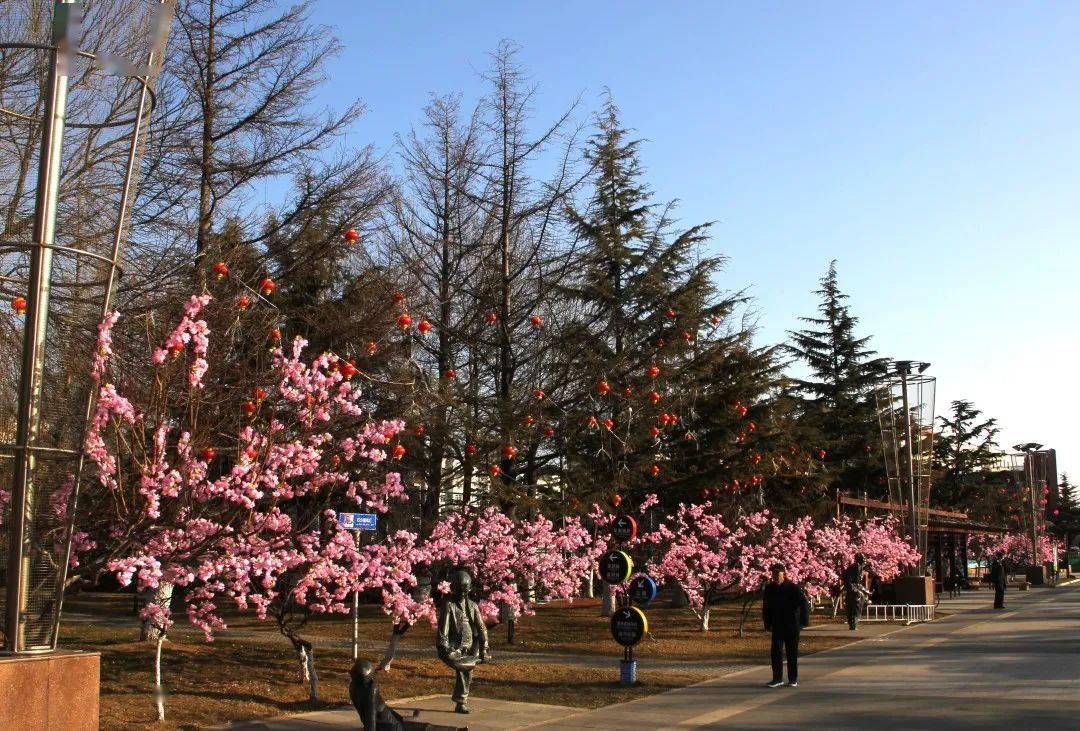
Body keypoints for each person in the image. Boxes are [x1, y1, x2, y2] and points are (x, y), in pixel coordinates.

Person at [436, 568, 489, 714]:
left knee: (467, 670)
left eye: (465, 590)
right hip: (454, 648)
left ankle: (461, 701)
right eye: (459, 590)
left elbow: (482, 628)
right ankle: (461, 701)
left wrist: (484, 648)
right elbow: (443, 630)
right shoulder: (449, 605)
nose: (463, 593)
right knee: (465, 668)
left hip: (472, 647)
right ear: (453, 589)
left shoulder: (473, 606)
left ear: (469, 588)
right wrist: (445, 648)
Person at [762, 562, 810, 688]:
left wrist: (803, 621)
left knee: (791, 653)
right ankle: (777, 678)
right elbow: (766, 607)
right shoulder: (769, 588)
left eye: (778, 573)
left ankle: (792, 679)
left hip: (792, 624)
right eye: (773, 573)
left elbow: (804, 603)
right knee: (776, 652)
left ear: (784, 574)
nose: (775, 576)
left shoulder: (793, 587)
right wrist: (767, 623)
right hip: (777, 624)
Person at [842, 553, 871, 630]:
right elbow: (849, 581)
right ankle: (853, 623)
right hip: (853, 591)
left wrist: (866, 591)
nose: (865, 560)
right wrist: (854, 590)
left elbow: (858, 583)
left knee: (856, 607)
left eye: (865, 558)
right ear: (858, 559)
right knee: (854, 607)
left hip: (855, 590)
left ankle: (853, 623)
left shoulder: (860, 567)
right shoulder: (855, 567)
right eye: (863, 558)